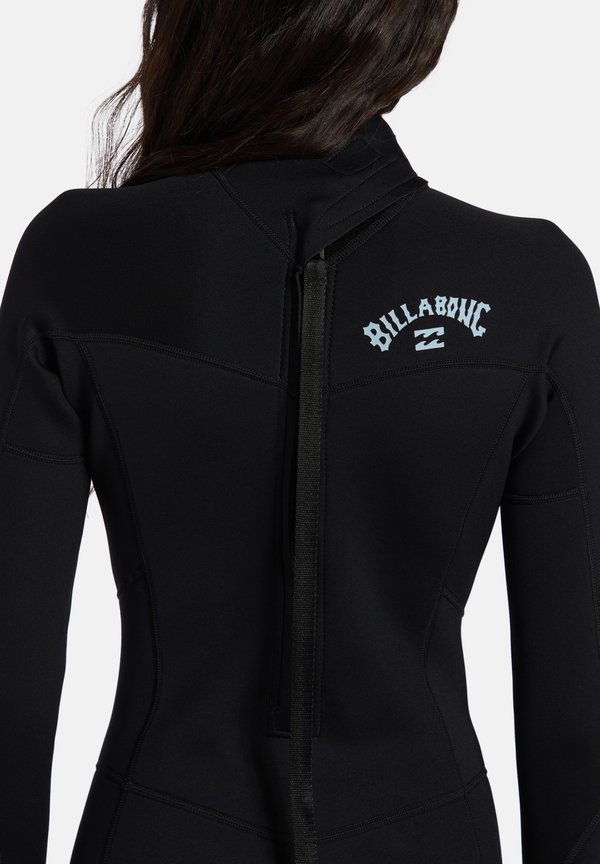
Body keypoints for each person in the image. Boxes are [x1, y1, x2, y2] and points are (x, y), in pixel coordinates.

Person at [1, 2, 599, 863]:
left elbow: (12, 687)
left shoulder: (81, 258)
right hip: (430, 833)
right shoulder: (529, 283)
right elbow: (579, 721)